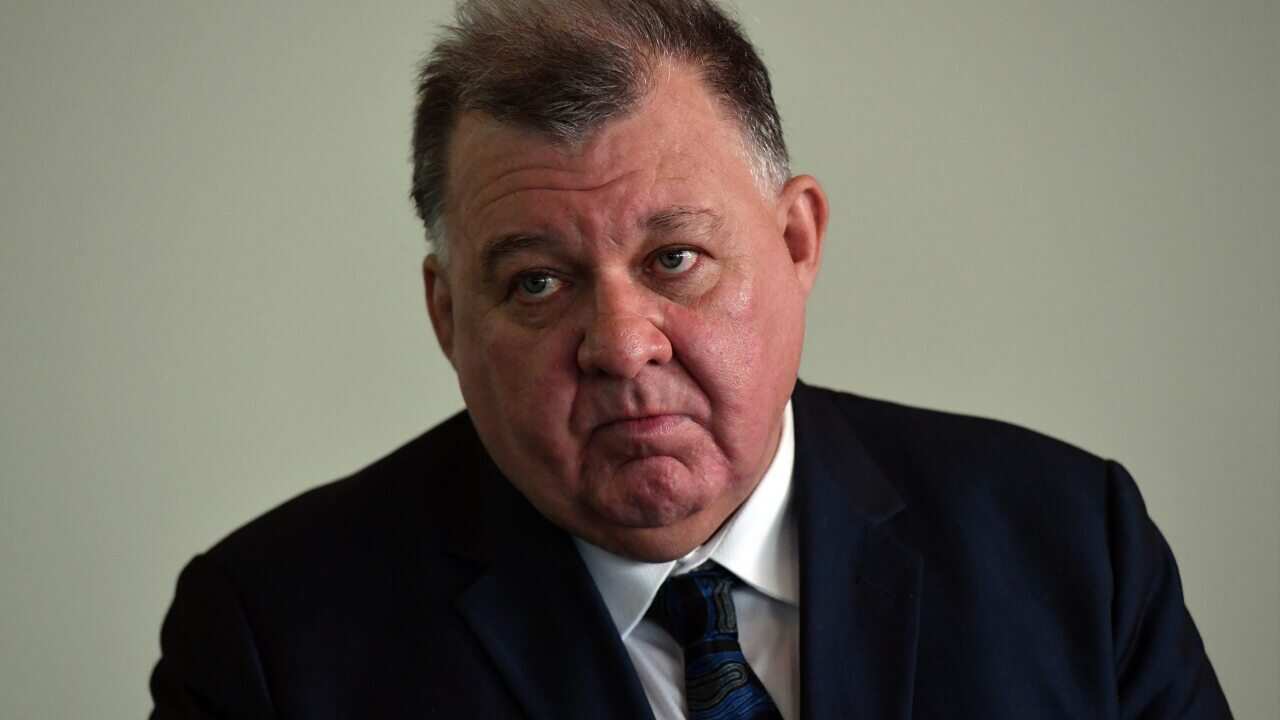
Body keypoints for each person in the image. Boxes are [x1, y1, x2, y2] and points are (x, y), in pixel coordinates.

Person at [149, 0, 1231, 717]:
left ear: (796, 240)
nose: (621, 346)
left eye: (674, 257)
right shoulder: (273, 640)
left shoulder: (1069, 549)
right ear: (446, 316)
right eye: (535, 281)